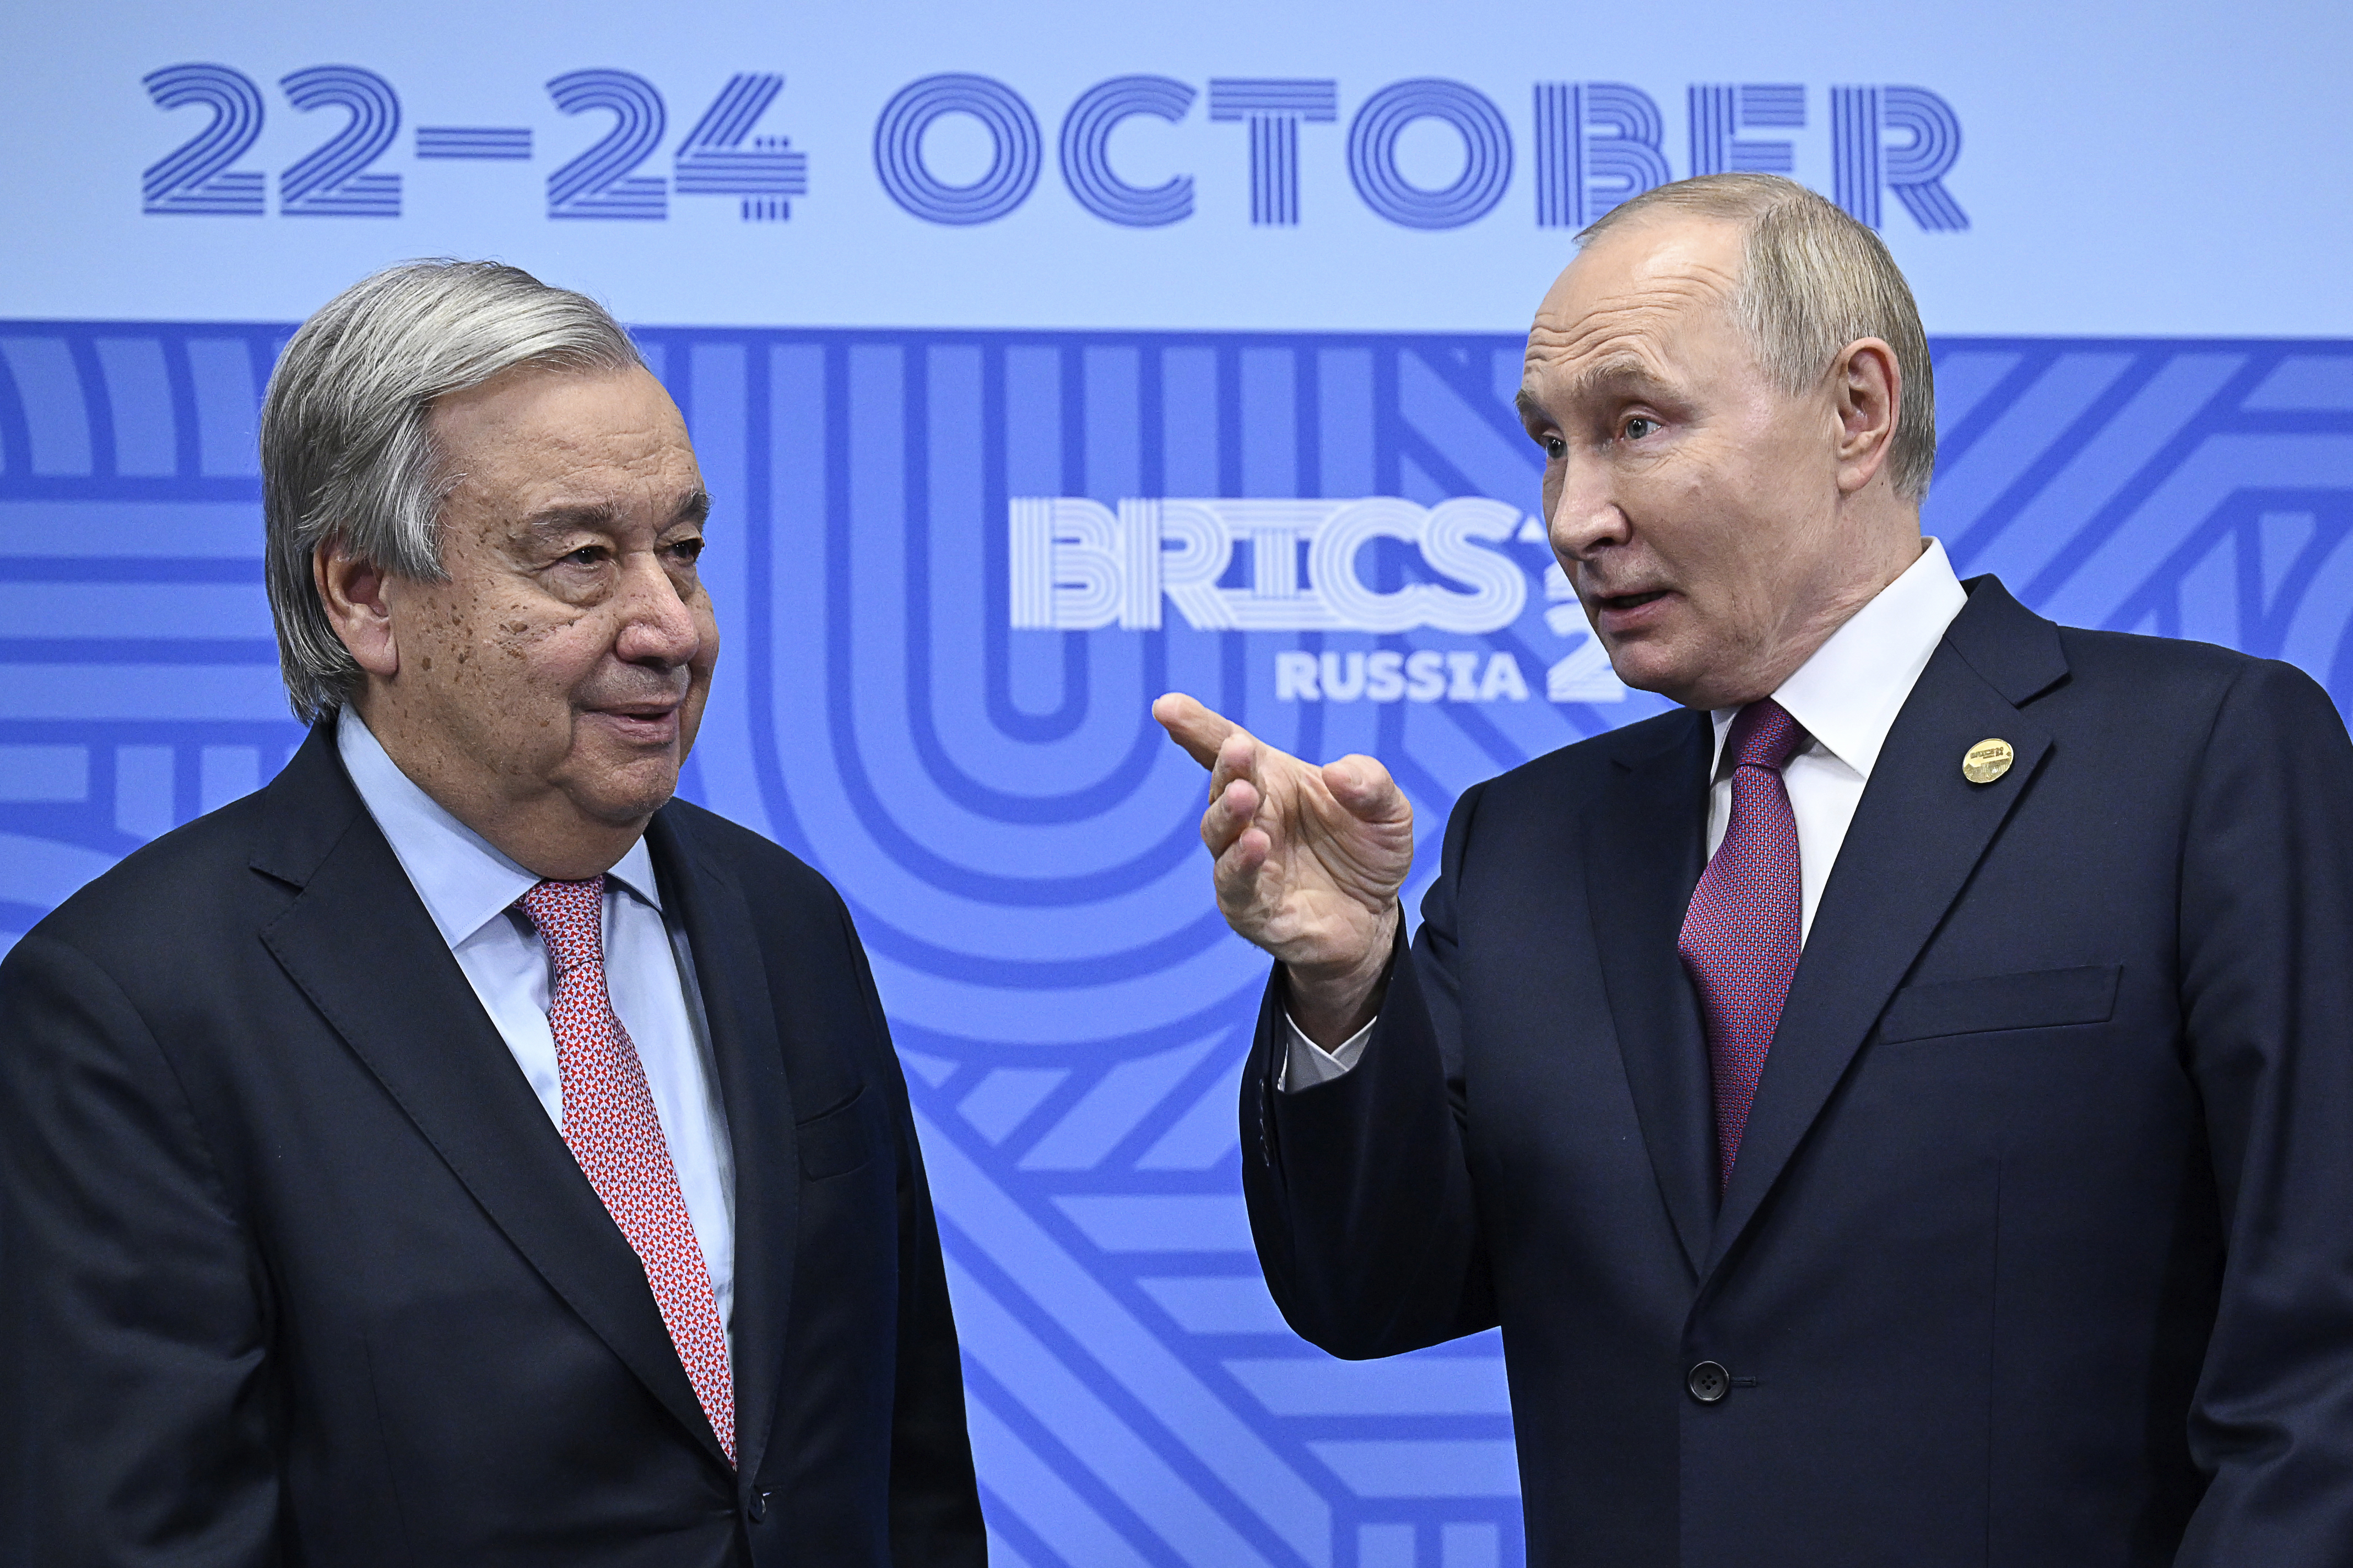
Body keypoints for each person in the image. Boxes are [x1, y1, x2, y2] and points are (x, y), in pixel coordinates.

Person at [1154, 173, 2353, 1565]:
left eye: (1637, 426)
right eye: (1552, 445)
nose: (1571, 516)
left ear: (1857, 410)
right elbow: (1370, 1288)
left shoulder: (2201, 757)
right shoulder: (1525, 843)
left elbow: (2323, 1361)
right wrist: (1348, 985)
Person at [0, 261, 985, 1566]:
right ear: (363, 594)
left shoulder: (784, 920)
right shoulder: (130, 1008)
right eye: (583, 559)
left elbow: (903, 1469)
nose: (670, 625)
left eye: (681, 552)